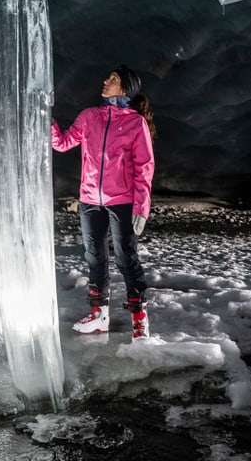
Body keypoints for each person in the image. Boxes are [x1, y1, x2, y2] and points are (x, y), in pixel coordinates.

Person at [52, 64, 156, 339]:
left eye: (112, 79)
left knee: (125, 258)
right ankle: (99, 317)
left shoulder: (135, 123)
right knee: (95, 257)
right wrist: (46, 120)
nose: (105, 81)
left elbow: (144, 166)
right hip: (89, 199)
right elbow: (62, 143)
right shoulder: (89, 117)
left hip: (122, 201)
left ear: (125, 89)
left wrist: (141, 208)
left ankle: (139, 319)